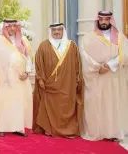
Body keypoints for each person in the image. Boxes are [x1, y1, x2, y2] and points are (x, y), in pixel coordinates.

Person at [80, 11, 128, 142]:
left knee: (113, 104)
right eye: (101, 19)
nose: (104, 22)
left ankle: (114, 133)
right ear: (98, 21)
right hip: (96, 77)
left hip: (113, 77)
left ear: (111, 20)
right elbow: (85, 55)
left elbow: (125, 54)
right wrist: (97, 67)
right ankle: (96, 132)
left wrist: (109, 65)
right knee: (95, 105)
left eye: (107, 19)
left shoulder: (120, 38)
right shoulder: (88, 37)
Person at [33, 23, 83, 138]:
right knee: (50, 107)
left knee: (66, 107)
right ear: (50, 31)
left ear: (63, 31)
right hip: (49, 84)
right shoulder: (44, 46)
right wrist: (40, 78)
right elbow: (38, 64)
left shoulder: (72, 46)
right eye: (54, 30)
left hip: (67, 84)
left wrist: (77, 80)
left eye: (59, 30)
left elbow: (77, 65)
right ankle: (49, 130)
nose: (56, 32)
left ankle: (67, 130)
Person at [0, 19, 33, 137]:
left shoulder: (23, 41)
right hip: (2, 77)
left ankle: (17, 127)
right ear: (4, 28)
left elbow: (28, 58)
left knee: (18, 103)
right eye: (9, 27)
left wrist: (27, 72)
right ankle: (1, 127)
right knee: (2, 102)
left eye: (14, 26)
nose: (12, 29)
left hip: (19, 77)